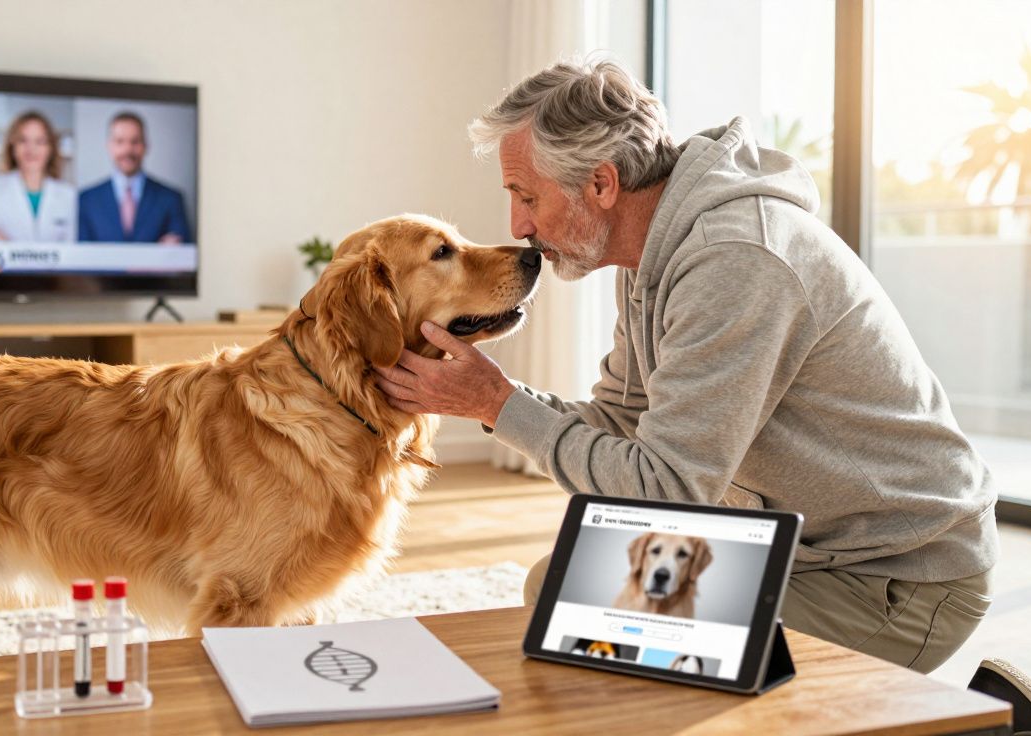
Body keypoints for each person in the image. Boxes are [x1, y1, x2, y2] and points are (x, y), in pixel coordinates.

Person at [375, 59, 998, 674]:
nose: (518, 226)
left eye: (527, 196)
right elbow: (621, 419)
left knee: (577, 611)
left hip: (896, 580)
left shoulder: (735, 259)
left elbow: (668, 491)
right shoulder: (650, 257)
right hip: (798, 549)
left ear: (601, 184)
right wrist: (489, 396)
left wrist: (495, 404)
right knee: (555, 587)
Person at [78, 112, 190, 243]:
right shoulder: (86, 200)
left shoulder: (171, 199)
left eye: (135, 141)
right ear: (109, 146)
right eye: (120, 142)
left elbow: (184, 254)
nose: (128, 150)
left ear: (146, 146)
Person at [0, 111, 77, 242]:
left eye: (40, 141)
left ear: (51, 148)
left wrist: (10, 244)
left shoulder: (68, 195)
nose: (31, 149)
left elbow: (71, 248)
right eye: (23, 140)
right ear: (13, 146)